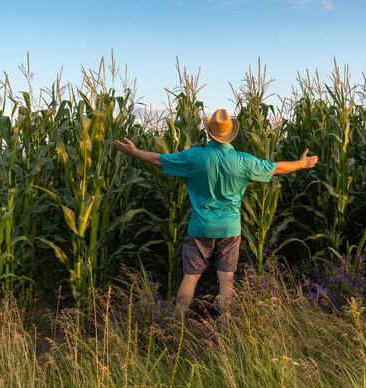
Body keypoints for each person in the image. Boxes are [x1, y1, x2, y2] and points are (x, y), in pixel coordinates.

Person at [112, 108, 318, 317]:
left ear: (209, 133)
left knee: (190, 278)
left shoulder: (194, 157)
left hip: (200, 228)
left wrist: (135, 152)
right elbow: (276, 168)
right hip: (229, 229)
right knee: (226, 281)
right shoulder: (244, 161)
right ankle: (225, 330)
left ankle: (176, 326)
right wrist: (302, 164)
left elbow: (159, 159)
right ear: (230, 134)